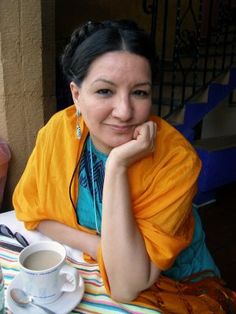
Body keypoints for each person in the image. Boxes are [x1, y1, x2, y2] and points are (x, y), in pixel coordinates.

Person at [13, 20, 233, 311]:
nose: (125, 111)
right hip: (90, 268)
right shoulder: (59, 132)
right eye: (105, 91)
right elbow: (30, 211)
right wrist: (103, 249)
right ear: (77, 95)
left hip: (178, 286)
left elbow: (126, 285)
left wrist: (116, 165)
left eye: (139, 92)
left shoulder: (176, 160)